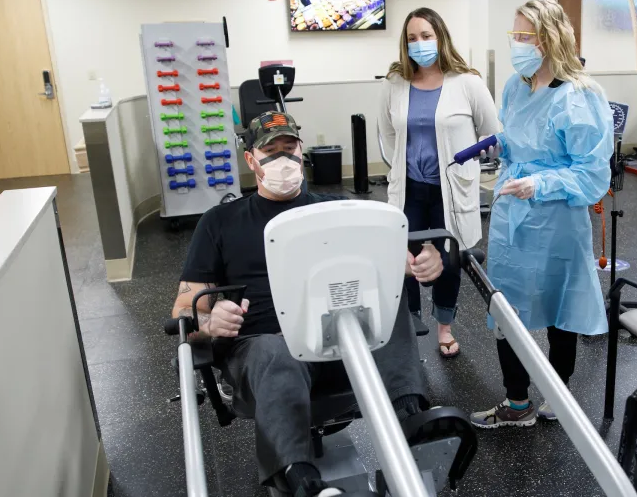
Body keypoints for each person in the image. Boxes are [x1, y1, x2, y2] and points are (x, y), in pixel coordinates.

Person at [172, 111, 445, 496]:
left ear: (302, 153)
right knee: (275, 348)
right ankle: (301, 481)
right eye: (270, 151)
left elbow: (396, 264)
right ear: (251, 160)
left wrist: (423, 262)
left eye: (290, 148)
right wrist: (208, 319)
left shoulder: (337, 209)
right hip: (265, 354)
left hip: (342, 346)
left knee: (387, 305)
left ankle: (413, 425)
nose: (282, 159)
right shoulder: (220, 222)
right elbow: (183, 309)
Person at [469, 0, 614, 428]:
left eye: (523, 37)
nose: (516, 44)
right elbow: (519, 139)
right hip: (514, 215)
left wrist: (541, 183)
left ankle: (559, 394)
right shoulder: (516, 86)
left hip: (557, 219)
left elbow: (590, 175)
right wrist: (500, 147)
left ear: (549, 40)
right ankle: (517, 404)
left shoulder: (580, 96)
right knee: (507, 308)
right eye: (513, 36)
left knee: (558, 307)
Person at [380, 7, 499, 358]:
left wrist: (468, 162)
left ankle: (444, 327)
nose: (419, 44)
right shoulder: (395, 83)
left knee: (448, 260)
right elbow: (386, 133)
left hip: (451, 189)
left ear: (441, 37)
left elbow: (492, 133)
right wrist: (399, 165)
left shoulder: (468, 83)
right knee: (406, 259)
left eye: (426, 36)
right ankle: (410, 329)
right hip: (410, 188)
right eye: (412, 38)